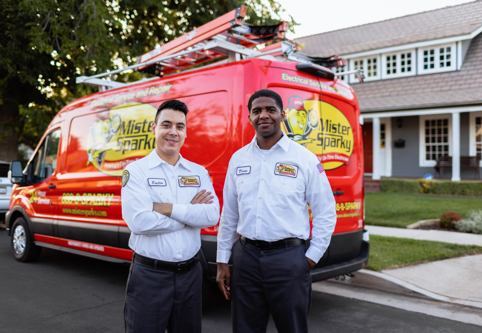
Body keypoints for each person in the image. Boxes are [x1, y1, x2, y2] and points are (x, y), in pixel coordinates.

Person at [216, 89, 337, 333]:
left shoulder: (304, 159)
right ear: (249, 117)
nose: (264, 116)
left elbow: (326, 212)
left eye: (270, 110)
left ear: (283, 114)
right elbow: (229, 215)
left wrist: (310, 258)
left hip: (289, 259)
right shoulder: (238, 159)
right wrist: (222, 260)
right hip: (246, 258)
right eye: (257, 111)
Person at [121, 99, 220, 333]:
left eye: (180, 126)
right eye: (166, 125)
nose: (173, 132)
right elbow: (140, 222)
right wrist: (189, 213)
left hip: (190, 277)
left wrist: (167, 207)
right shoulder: (136, 171)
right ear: (154, 128)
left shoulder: (198, 172)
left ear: (186, 132)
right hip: (149, 277)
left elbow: (211, 215)